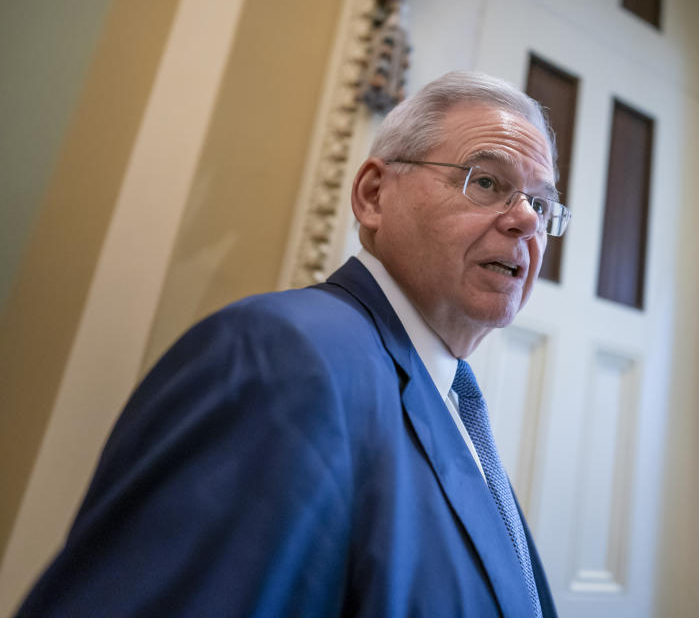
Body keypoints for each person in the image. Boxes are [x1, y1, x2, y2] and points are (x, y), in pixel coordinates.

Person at [15, 71, 570, 617]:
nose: (524, 219)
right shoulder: (282, 358)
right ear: (374, 195)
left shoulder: (454, 403)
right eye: (487, 182)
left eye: (541, 205)